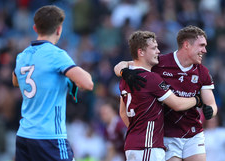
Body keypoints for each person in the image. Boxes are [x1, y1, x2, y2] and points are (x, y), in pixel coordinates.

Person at [114, 25, 218, 161]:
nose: (204, 50)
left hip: (193, 133)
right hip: (165, 136)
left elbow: (211, 104)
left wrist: (211, 110)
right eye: (201, 45)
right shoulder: (157, 64)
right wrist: (123, 71)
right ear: (186, 45)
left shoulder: (202, 72)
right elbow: (127, 64)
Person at [12, 5, 94, 161]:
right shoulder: (56, 55)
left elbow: (15, 81)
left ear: (35, 28)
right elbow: (87, 83)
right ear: (59, 29)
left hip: (24, 135)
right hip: (50, 136)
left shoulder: (22, 56)